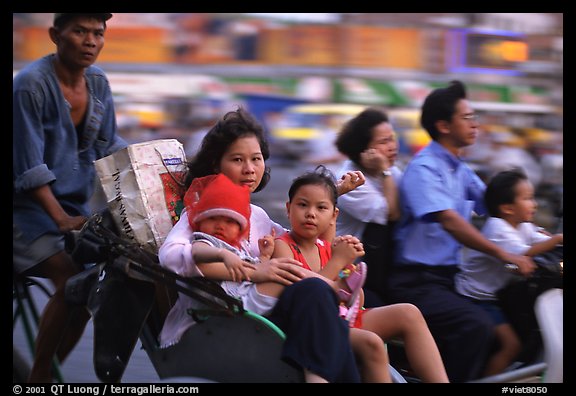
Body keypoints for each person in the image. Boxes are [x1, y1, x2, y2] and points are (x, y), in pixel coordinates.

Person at [159, 107, 365, 383]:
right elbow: (170, 256)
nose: (249, 169)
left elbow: (299, 235)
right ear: (216, 166)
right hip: (223, 319)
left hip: (265, 313)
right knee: (316, 292)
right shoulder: (202, 212)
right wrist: (253, 271)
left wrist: (330, 196)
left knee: (318, 296)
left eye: (256, 159)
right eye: (237, 159)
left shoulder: (258, 215)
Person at [386, 80, 535, 382]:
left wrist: (539, 231)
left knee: (512, 318)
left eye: (474, 116)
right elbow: (450, 221)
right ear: (443, 125)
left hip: (449, 279)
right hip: (417, 282)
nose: (475, 124)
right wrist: (503, 253)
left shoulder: (460, 168)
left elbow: (497, 205)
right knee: (475, 325)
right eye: (467, 118)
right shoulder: (425, 169)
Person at [13, 13, 126, 382]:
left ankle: (46, 369)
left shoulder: (98, 83)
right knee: (69, 278)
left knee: (90, 288)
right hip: (24, 212)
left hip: (71, 208)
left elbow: (110, 147)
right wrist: (60, 219)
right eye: (80, 31)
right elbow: (29, 168)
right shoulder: (30, 87)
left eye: (98, 32)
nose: (90, 40)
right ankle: (39, 377)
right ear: (55, 35)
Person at [270, 166, 449, 383]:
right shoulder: (284, 247)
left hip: (343, 318)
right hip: (312, 326)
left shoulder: (323, 246)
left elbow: (355, 301)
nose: (311, 214)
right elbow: (313, 296)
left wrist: (349, 275)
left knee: (408, 312)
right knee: (371, 342)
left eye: (321, 208)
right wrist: (338, 261)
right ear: (288, 209)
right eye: (302, 205)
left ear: (333, 216)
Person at [159, 172, 367, 353]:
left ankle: (335, 289)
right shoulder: (207, 241)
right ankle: (333, 287)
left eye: (230, 222)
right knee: (286, 271)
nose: (221, 226)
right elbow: (196, 252)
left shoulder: (245, 237)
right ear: (201, 221)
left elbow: (307, 232)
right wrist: (224, 256)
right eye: (213, 219)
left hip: (248, 295)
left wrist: (264, 258)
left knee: (286, 271)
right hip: (237, 303)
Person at [455, 168, 563, 376]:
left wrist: (554, 240)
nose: (535, 204)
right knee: (511, 345)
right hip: (477, 297)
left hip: (498, 295)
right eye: (528, 198)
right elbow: (523, 254)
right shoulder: (497, 228)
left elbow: (543, 242)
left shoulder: (523, 226)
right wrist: (556, 239)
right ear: (507, 208)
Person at [334, 107, 402, 306]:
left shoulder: (392, 170)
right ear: (364, 150)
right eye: (383, 142)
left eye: (392, 138)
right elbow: (392, 213)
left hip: (378, 264)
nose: (392, 146)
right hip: (349, 273)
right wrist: (384, 172)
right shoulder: (350, 179)